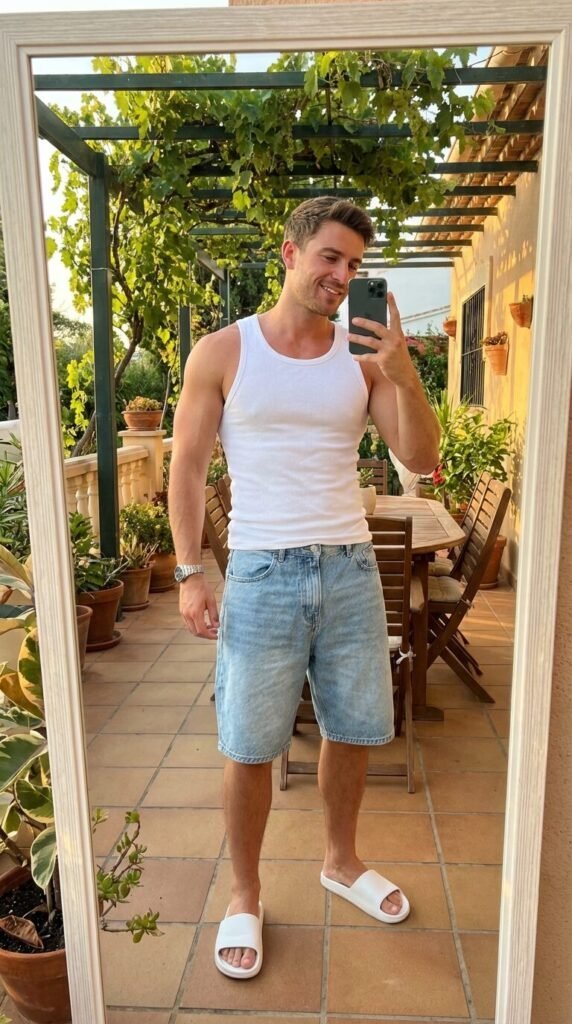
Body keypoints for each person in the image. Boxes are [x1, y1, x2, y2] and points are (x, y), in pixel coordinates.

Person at [169, 197, 440, 980]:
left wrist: (404, 372)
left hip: (351, 569)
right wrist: (190, 572)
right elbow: (187, 467)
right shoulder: (223, 351)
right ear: (289, 254)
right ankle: (245, 892)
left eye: (354, 265)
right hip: (261, 572)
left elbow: (421, 459)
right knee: (250, 745)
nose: (342, 275)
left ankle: (341, 862)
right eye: (330, 256)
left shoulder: (363, 359)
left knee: (352, 730)